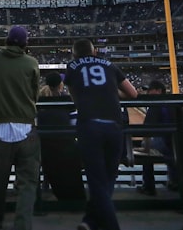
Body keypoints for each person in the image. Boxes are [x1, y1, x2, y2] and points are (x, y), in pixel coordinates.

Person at [64, 39, 138, 230]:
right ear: (94, 52)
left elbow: (75, 98)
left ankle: (109, 226)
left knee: (97, 182)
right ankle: (90, 221)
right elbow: (133, 93)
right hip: (114, 125)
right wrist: (112, 93)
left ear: (74, 54)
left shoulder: (72, 66)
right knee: (107, 179)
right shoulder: (109, 65)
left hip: (90, 125)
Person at [0, 26, 41, 230]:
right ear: (25, 43)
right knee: (27, 184)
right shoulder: (31, 62)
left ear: (7, 40)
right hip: (26, 125)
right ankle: (22, 225)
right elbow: (35, 94)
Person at [36, 72, 84, 202]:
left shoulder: (39, 100)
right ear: (60, 85)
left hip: (44, 145)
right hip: (66, 144)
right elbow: (75, 124)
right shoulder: (68, 100)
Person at [139, 79, 181, 194]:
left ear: (158, 91)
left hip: (170, 143)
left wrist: (146, 148)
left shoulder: (156, 103)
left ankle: (148, 186)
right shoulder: (174, 101)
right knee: (171, 148)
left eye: (149, 90)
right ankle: (175, 182)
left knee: (145, 148)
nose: (147, 93)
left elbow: (146, 131)